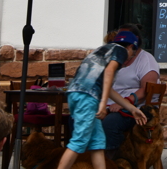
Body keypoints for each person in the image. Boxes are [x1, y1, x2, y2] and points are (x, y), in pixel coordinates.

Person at [55, 31, 147, 169]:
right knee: (79, 141)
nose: (129, 59)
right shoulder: (120, 50)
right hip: (88, 97)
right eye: (132, 54)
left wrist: (132, 109)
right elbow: (109, 72)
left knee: (97, 142)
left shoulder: (102, 50)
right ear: (129, 47)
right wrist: (103, 104)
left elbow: (108, 88)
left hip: (76, 94)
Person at [102, 24, 161, 158]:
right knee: (78, 118)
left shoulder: (146, 60)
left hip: (133, 107)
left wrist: (125, 102)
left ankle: (113, 160)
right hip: (109, 104)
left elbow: (147, 89)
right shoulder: (114, 58)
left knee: (110, 123)